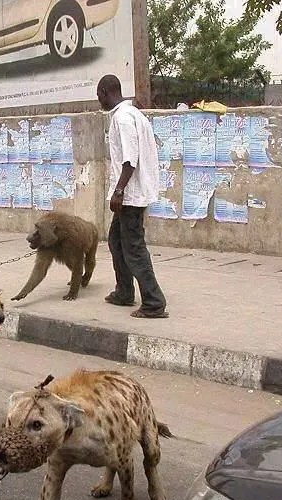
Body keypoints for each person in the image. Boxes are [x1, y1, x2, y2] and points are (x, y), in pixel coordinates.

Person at [97, 74, 168, 319]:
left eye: (99, 96)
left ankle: (154, 302)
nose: (99, 101)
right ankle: (124, 291)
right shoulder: (135, 114)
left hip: (130, 194)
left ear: (106, 92)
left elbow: (130, 160)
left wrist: (119, 191)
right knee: (115, 241)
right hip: (132, 193)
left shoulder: (123, 118)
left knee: (134, 248)